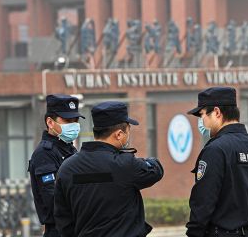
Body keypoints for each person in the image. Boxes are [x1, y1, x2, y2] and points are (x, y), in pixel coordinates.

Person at [54, 101, 164, 237]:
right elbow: (156, 170)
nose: (128, 136)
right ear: (119, 134)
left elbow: (63, 220)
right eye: (128, 131)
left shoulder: (67, 168)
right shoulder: (125, 165)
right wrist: (148, 161)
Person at [186, 87, 248, 237]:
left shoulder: (216, 149)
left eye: (202, 115)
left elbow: (204, 201)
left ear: (217, 112)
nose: (201, 121)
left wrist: (194, 232)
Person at [28, 94, 85, 237]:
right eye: (67, 120)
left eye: (75, 120)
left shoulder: (69, 149)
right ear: (50, 122)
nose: (73, 124)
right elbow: (53, 200)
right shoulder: (44, 154)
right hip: (59, 231)